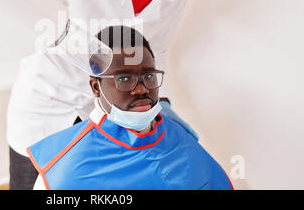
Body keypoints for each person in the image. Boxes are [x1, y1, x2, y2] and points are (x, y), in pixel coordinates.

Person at [8, 0, 211, 189]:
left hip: (103, 117)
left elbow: (158, 53)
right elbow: (22, 12)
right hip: (44, 107)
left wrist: (161, 106)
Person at [27, 26, 233, 190]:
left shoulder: (180, 137)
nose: (141, 89)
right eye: (124, 79)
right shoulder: (64, 171)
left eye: (149, 76)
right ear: (96, 87)